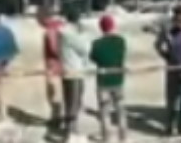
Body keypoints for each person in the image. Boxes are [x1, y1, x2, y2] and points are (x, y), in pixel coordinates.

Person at [88, 15, 127, 143]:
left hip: (103, 81)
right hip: (118, 80)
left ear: (101, 27)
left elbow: (93, 58)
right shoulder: (120, 41)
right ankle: (123, 137)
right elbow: (122, 56)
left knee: (104, 112)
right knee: (120, 110)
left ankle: (107, 138)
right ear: (113, 26)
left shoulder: (96, 44)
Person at [153, 4, 181, 135]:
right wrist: (166, 56)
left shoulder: (169, 27)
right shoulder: (169, 28)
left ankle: (177, 126)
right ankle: (173, 126)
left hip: (176, 65)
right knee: (175, 98)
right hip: (178, 65)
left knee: (178, 98)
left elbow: (158, 45)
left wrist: (165, 56)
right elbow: (158, 45)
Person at [58, 8, 90, 141]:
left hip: (67, 69)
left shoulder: (63, 31)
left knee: (70, 102)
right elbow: (85, 49)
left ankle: (71, 130)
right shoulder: (69, 33)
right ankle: (71, 133)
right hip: (75, 71)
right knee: (74, 103)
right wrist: (84, 34)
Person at [37, 7, 65, 131]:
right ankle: (58, 116)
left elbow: (54, 49)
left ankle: (56, 118)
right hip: (63, 66)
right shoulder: (60, 25)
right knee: (59, 94)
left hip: (53, 67)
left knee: (52, 94)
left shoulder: (50, 30)